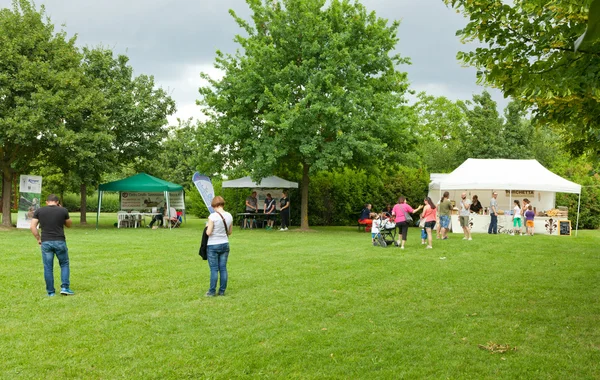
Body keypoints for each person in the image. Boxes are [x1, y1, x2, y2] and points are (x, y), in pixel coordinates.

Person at [29, 194, 74, 296]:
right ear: (57, 202)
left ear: (46, 202)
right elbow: (69, 224)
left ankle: (50, 292)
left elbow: (32, 227)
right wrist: (62, 210)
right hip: (60, 241)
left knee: (48, 267)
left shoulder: (39, 211)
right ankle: (65, 288)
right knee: (64, 264)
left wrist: (38, 239)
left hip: (46, 241)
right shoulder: (63, 210)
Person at [205, 196, 233, 297]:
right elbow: (229, 232)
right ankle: (222, 291)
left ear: (215, 205)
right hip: (225, 244)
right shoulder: (229, 215)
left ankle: (212, 291)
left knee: (214, 269)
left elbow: (208, 232)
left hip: (213, 245)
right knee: (223, 268)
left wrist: (207, 226)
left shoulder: (212, 216)